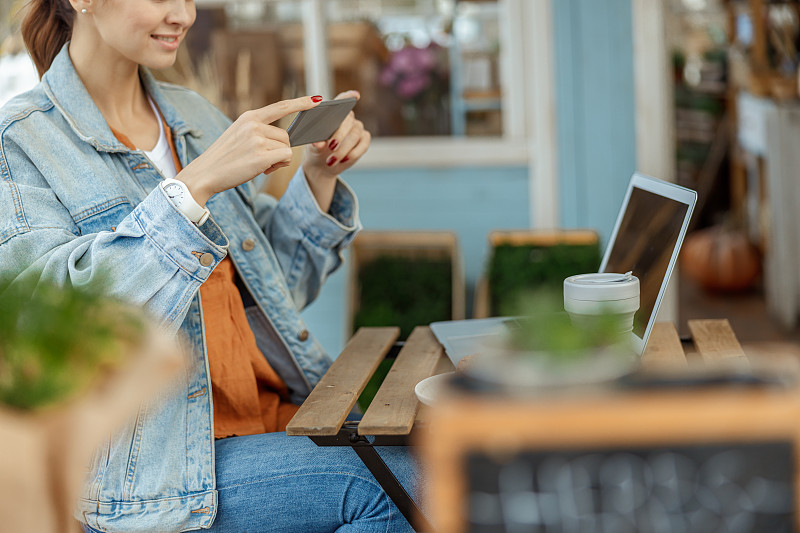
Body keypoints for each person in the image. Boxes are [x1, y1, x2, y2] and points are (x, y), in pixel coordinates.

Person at [1, 0, 420, 531]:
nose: (184, 14)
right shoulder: (21, 141)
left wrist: (316, 177)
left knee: (443, 456)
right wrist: (191, 188)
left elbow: (275, 293)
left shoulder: (195, 117)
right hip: (157, 474)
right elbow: (44, 329)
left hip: (273, 419)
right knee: (401, 482)